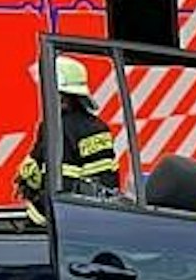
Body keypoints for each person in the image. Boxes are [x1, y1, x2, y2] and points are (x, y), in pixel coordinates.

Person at [15, 56, 120, 226]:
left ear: (62, 96)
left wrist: (34, 208)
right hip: (98, 218)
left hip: (67, 224)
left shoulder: (58, 129)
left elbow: (61, 189)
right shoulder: (98, 126)